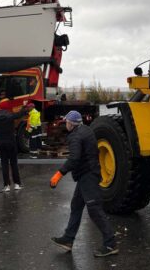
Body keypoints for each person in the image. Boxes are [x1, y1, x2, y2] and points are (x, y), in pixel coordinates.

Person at [50, 110, 118, 257]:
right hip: (86, 174)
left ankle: (110, 244)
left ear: (71, 123)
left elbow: (74, 158)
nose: (66, 124)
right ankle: (68, 239)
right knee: (76, 205)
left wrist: (59, 173)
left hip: (88, 176)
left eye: (67, 122)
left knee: (94, 209)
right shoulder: (86, 130)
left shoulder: (75, 137)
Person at [0, 101, 28, 192]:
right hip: (11, 142)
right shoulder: (10, 116)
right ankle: (17, 184)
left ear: (0, 109)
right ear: (7, 108)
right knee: (13, 163)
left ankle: (6, 186)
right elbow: (19, 114)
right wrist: (24, 107)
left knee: (4, 164)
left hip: (1, 143)